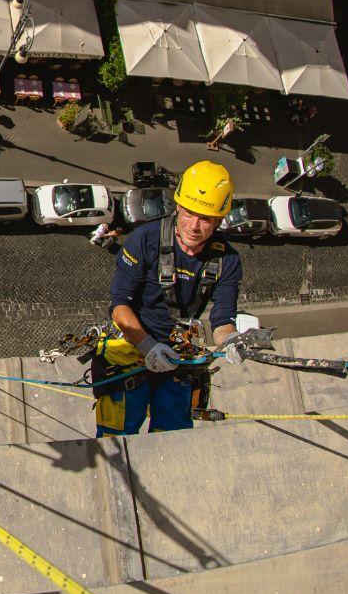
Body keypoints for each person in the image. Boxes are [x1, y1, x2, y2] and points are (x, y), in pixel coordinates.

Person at [100, 161, 244, 436]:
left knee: (173, 438)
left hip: (179, 351)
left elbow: (222, 321)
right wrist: (147, 345)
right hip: (133, 341)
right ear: (177, 206)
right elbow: (119, 306)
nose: (194, 226)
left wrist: (232, 341)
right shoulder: (144, 240)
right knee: (114, 437)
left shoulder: (227, 260)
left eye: (206, 218)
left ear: (219, 220)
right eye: (189, 213)